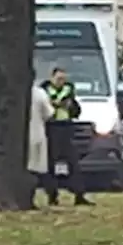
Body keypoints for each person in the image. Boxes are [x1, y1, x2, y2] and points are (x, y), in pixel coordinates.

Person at [40, 67, 92, 206]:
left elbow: (76, 111)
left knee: (73, 163)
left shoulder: (69, 91)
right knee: (50, 165)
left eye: (63, 79)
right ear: (52, 78)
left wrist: (71, 106)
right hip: (50, 129)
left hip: (66, 129)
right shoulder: (44, 92)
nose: (61, 82)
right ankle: (52, 195)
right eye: (58, 79)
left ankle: (79, 194)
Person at [27, 82, 55, 204]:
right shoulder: (39, 93)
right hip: (36, 133)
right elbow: (49, 113)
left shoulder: (9, 92)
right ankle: (51, 193)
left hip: (16, 137)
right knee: (37, 168)